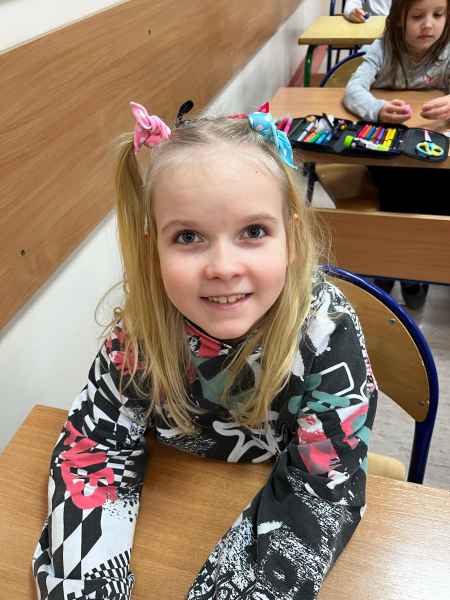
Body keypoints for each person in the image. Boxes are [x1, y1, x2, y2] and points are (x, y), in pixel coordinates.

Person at [32, 101, 377, 600]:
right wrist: (88, 586)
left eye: (253, 232)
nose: (222, 267)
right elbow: (96, 448)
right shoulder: (142, 332)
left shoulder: (327, 334)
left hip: (275, 489)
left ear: (292, 236)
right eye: (189, 236)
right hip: (179, 493)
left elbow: (323, 485)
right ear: (153, 247)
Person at [344, 0, 450, 308]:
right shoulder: (383, 48)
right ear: (399, 18)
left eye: (438, 15)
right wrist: (377, 109)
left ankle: (407, 269)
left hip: (431, 150)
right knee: (397, 191)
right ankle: (396, 267)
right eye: (417, 16)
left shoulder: (447, 51)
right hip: (389, 151)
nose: (428, 24)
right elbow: (353, 90)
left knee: (430, 194)